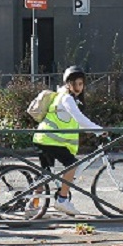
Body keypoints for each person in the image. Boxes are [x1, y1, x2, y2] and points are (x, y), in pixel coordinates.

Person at [33, 66, 104, 216]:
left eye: (81, 84)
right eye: (75, 84)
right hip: (50, 140)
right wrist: (100, 130)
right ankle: (62, 200)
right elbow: (80, 119)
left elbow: (75, 121)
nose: (78, 87)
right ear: (68, 84)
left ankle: (31, 206)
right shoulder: (66, 98)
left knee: (45, 175)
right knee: (72, 166)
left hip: (44, 138)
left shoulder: (64, 96)